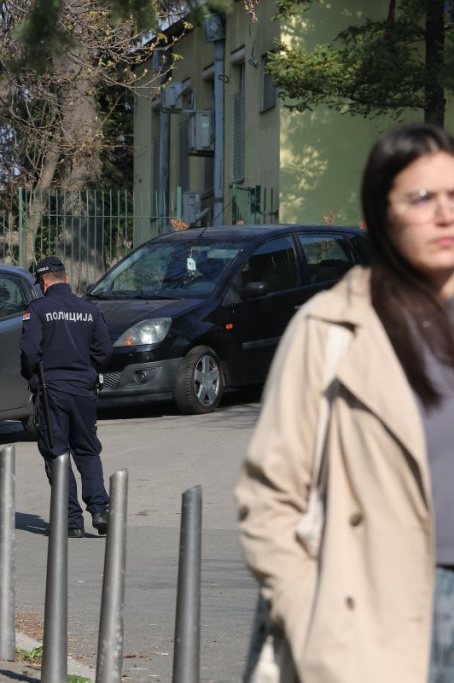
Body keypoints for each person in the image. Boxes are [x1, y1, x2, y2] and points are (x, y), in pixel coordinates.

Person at [236, 122, 454, 682]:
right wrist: (316, 624)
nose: (444, 214)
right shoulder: (331, 329)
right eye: (422, 197)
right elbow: (270, 496)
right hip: (376, 618)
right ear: (381, 214)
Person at [20, 256, 113, 538]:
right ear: (67, 279)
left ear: (44, 282)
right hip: (83, 390)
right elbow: (104, 350)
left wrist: (33, 378)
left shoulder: (38, 309)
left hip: (51, 390)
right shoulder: (89, 309)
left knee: (56, 452)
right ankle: (99, 510)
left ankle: (72, 520)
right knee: (87, 449)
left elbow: (29, 352)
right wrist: (87, 371)